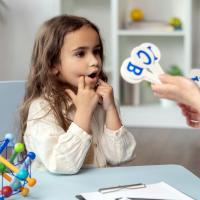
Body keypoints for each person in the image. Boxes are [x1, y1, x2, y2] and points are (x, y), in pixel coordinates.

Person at [20, 15, 136, 174]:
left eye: (96, 51)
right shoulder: (42, 108)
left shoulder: (103, 102)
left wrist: (110, 110)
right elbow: (62, 164)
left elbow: (120, 157)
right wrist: (84, 112)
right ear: (53, 65)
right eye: (80, 54)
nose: (94, 61)